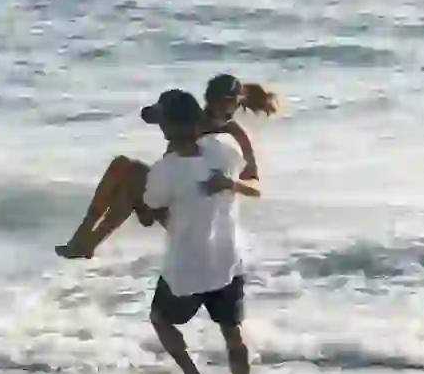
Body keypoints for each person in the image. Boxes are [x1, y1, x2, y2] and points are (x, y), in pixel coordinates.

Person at [135, 88, 259, 374]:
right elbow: (246, 173)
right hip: (225, 261)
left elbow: (151, 209)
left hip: (186, 267)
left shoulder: (165, 169)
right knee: (233, 335)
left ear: (168, 128)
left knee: (161, 319)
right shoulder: (225, 151)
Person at [54, 74, 278, 259]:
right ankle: (85, 238)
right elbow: (149, 115)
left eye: (221, 106)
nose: (213, 112)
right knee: (122, 174)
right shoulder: (193, 118)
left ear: (234, 105)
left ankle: (87, 242)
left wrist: (231, 183)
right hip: (171, 201)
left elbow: (256, 188)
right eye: (210, 104)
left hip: (195, 221)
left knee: (129, 177)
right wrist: (162, 110)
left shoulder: (237, 136)